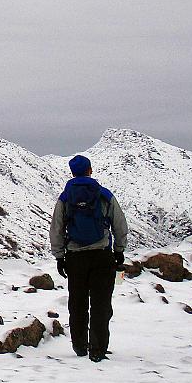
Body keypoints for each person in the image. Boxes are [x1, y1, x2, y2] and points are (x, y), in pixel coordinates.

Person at [49, 154, 128, 362]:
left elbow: (56, 228)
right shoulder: (103, 195)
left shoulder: (66, 197)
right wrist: (119, 250)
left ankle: (80, 346)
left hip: (75, 258)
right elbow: (119, 224)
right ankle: (98, 349)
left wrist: (59, 256)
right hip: (102, 256)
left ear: (72, 172)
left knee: (77, 302)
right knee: (101, 304)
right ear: (90, 170)